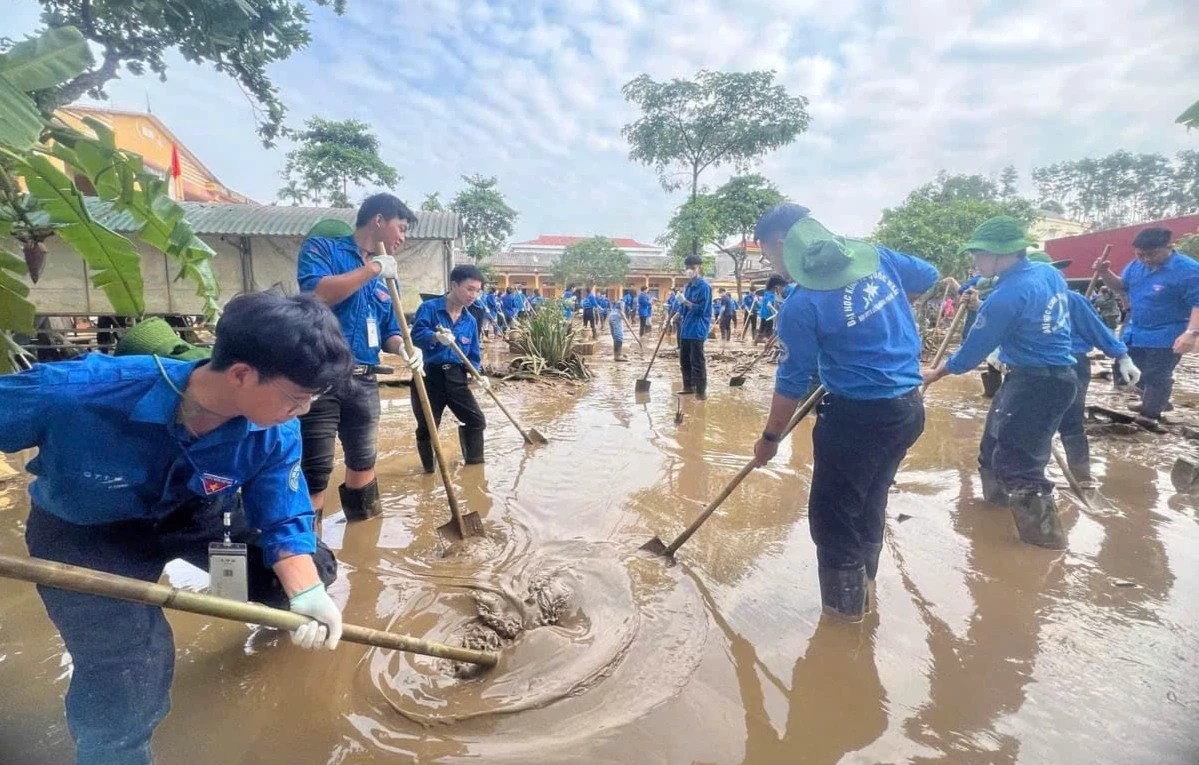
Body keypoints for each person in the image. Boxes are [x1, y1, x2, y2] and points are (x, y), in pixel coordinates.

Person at [0, 291, 350, 765]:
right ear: (243, 374)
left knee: (313, 571)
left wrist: (306, 594)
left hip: (199, 515)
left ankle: (278, 623)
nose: (305, 410)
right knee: (128, 666)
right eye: (299, 396)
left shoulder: (274, 430)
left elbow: (283, 519)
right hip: (85, 534)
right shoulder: (75, 392)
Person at [751, 203, 937, 622]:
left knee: (833, 519)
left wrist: (769, 440)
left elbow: (792, 382)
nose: (772, 264)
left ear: (783, 244)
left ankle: (843, 623)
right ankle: (865, 596)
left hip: (857, 419)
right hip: (908, 407)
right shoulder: (876, 256)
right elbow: (926, 274)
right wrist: (882, 323)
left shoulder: (801, 305)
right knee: (869, 504)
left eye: (768, 256)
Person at [923, 217, 1077, 549]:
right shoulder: (1046, 273)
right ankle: (994, 510)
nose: (974, 262)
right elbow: (1014, 301)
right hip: (1042, 379)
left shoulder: (1006, 297)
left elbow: (969, 355)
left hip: (1036, 383)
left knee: (1022, 468)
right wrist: (977, 291)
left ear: (1001, 254)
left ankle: (1044, 547)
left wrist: (935, 373)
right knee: (992, 450)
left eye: (979, 255)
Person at [296, 194, 424, 525]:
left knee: (364, 461)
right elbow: (317, 294)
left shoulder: (388, 275)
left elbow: (389, 330)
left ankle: (364, 547)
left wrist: (403, 349)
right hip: (320, 376)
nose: (403, 237)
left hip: (364, 381)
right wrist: (372, 270)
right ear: (379, 220)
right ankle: (307, 553)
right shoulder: (324, 249)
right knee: (315, 469)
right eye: (402, 227)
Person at [1021, 253, 1141, 484]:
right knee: (1036, 423)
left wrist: (1122, 355)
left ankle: (1080, 476)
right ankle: (1035, 476)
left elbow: (1098, 330)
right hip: (1035, 367)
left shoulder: (1071, 300)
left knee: (1069, 422)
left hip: (1067, 365)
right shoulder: (1025, 299)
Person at [1093, 227, 1199, 421]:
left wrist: (1191, 333)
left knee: (1158, 374)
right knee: (1133, 370)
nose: (1146, 259)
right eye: (1140, 254)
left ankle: (1151, 415)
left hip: (1168, 333)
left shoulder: (1189, 270)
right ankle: (1149, 401)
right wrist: (1104, 272)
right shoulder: (1136, 266)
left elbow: (1197, 303)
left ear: (1169, 247)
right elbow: (1121, 286)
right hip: (1136, 330)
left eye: (1152, 254)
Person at [409, 264, 489, 470]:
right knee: (428, 428)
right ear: (454, 285)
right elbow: (415, 338)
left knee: (476, 420)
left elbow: (472, 355)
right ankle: (429, 472)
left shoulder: (470, 320)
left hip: (456, 378)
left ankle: (474, 468)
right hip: (428, 376)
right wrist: (434, 337)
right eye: (470, 289)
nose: (474, 295)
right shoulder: (430, 308)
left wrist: (477, 374)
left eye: (478, 290)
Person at [677, 254, 713, 399]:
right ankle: (688, 387)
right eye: (687, 268)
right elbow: (684, 310)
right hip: (685, 328)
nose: (689, 270)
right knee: (684, 359)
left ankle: (700, 391)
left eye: (692, 268)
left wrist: (686, 302)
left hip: (697, 329)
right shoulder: (688, 287)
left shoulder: (704, 287)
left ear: (699, 268)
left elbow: (702, 310)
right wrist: (677, 313)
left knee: (697, 361)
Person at [757, 274, 788, 344]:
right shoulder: (772, 295)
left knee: (766, 329)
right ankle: (763, 339)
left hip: (767, 314)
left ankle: (764, 339)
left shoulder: (788, 295)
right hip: (768, 314)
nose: (776, 293)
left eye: (776, 291)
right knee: (766, 329)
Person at [609, 298, 629, 362]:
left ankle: (617, 355)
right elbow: (622, 312)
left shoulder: (619, 300)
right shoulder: (624, 300)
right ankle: (618, 356)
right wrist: (627, 323)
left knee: (615, 336)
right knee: (619, 336)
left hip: (611, 316)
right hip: (616, 316)